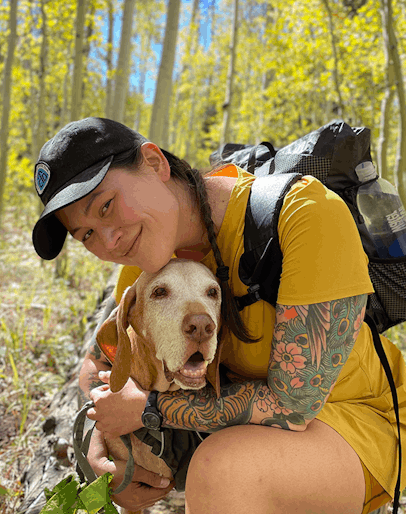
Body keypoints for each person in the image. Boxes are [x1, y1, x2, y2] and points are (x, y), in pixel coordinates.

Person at [31, 117, 406, 514]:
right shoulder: (147, 265)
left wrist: (148, 410)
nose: (108, 240)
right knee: (136, 453)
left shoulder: (304, 214)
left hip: (358, 418)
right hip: (242, 424)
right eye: (86, 235)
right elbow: (98, 362)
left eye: (105, 207)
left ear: (155, 163)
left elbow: (294, 407)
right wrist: (99, 439)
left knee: (224, 470)